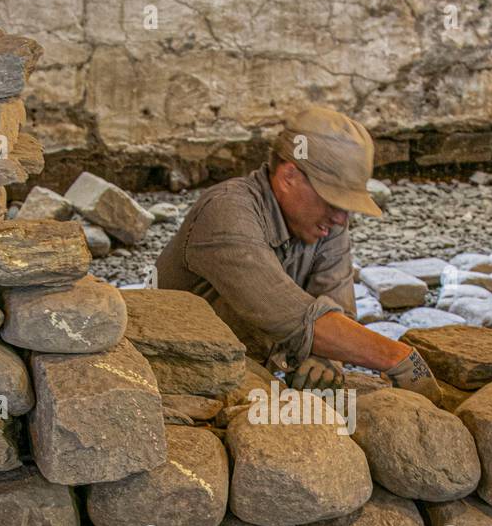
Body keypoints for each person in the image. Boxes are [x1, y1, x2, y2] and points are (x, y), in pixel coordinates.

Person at [156, 105, 442, 400]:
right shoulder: (227, 212)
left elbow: (336, 306)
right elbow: (290, 316)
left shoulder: (324, 223)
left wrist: (327, 356)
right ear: (289, 175)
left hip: (237, 368)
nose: (342, 219)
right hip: (176, 376)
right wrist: (398, 357)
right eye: (333, 201)